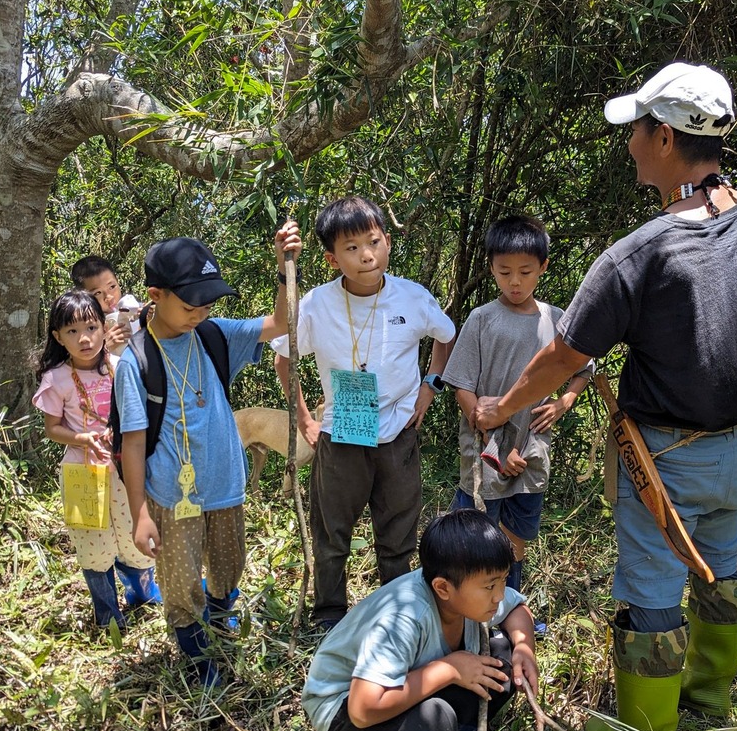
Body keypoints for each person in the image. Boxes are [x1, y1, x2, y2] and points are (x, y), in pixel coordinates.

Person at [475, 62, 737, 731]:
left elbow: (564, 355)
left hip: (666, 458)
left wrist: (503, 407)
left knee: (653, 590)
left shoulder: (638, 255)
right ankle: (708, 703)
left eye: (636, 129)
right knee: (720, 567)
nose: (631, 142)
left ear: (664, 137)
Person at [115, 225, 301, 686]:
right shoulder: (136, 362)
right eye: (189, 304)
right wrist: (140, 513)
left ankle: (220, 623)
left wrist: (285, 268)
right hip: (172, 495)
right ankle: (198, 655)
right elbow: (132, 444)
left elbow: (281, 323)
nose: (200, 312)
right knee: (180, 582)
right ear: (156, 295)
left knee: (227, 566)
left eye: (207, 303)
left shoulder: (214, 335)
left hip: (225, 486)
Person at [272, 196, 456, 629]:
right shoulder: (316, 304)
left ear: (387, 242)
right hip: (341, 437)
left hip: (398, 435)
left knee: (398, 531)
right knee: (331, 530)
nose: (366, 255)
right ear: (332, 258)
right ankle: (330, 613)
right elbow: (284, 358)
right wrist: (305, 418)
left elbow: (446, 336)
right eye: (351, 248)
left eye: (373, 242)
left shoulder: (412, 297)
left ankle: (397, 610)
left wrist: (430, 386)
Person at [303, 508, 539, 731]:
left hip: (406, 683)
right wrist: (449, 669)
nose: (498, 596)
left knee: (503, 656)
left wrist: (524, 647)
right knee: (433, 724)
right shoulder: (403, 618)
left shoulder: (465, 589)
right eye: (489, 586)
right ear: (442, 588)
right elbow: (362, 710)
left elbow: (517, 609)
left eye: (503, 581)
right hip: (341, 706)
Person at [444, 213, 594, 606]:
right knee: (475, 532)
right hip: (485, 450)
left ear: (543, 267)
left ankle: (510, 609)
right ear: (491, 268)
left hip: (532, 449)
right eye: (504, 272)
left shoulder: (556, 321)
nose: (515, 282)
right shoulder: (481, 319)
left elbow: (584, 367)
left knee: (516, 536)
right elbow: (462, 386)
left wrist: (565, 401)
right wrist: (495, 445)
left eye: (525, 272)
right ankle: (469, 610)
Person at [32, 290, 161, 633]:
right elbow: (52, 429)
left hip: (123, 467)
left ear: (104, 327)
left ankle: (142, 595)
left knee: (133, 532)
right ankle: (108, 616)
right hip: (82, 472)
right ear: (58, 337)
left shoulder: (120, 367)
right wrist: (82, 438)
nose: (84, 338)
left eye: (91, 327)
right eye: (72, 331)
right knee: (93, 544)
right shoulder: (56, 378)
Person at [71, 254, 144, 354]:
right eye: (97, 293)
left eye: (112, 287)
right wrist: (104, 348)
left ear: (118, 281)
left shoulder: (141, 311)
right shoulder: (84, 329)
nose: (109, 297)